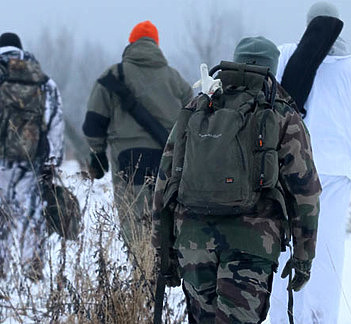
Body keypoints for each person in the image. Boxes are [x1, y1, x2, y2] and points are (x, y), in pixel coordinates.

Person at [152, 36, 321, 323]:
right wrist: (304, 258)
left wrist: (163, 252)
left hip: (193, 242)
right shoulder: (281, 113)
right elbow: (305, 192)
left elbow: (165, 182)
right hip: (252, 244)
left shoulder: (198, 108)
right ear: (273, 67)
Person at [270, 2, 351, 323]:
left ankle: (284, 318)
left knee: (285, 249)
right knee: (326, 256)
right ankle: (322, 318)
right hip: (334, 176)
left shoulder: (285, 55)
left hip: (285, 171)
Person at [82, 21, 192, 249]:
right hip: (167, 159)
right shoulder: (175, 79)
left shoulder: (114, 75)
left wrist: (97, 153)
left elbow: (93, 121)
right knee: (163, 220)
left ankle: (142, 273)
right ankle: (161, 272)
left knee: (134, 222)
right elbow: (191, 121)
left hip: (128, 159)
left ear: (131, 44)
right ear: (156, 45)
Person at [0, 32, 64, 281]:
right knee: (31, 214)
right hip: (31, 159)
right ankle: (32, 271)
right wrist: (52, 161)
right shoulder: (41, 80)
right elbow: (55, 120)